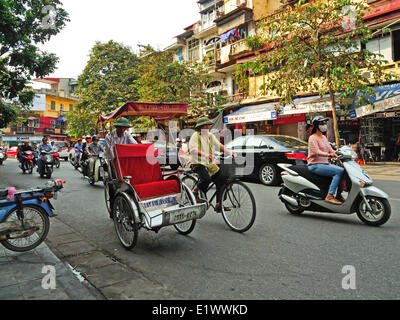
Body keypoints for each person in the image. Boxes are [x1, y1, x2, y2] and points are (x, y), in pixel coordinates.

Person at [189, 117, 237, 212]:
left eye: (208, 125)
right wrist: (205, 154)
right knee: (206, 179)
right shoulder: (195, 135)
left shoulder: (211, 136)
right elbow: (193, 150)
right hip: (198, 163)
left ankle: (219, 204)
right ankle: (195, 190)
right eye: (205, 125)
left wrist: (231, 153)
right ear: (200, 127)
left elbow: (220, 146)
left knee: (222, 180)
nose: (207, 127)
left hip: (209, 163)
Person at [307, 116, 344, 205]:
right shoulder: (312, 138)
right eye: (322, 123)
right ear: (316, 126)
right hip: (314, 165)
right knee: (339, 171)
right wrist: (328, 155)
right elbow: (316, 151)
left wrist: (337, 153)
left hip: (324, 164)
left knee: (344, 170)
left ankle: (338, 194)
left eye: (325, 123)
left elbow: (329, 148)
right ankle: (330, 196)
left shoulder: (323, 137)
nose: (324, 125)